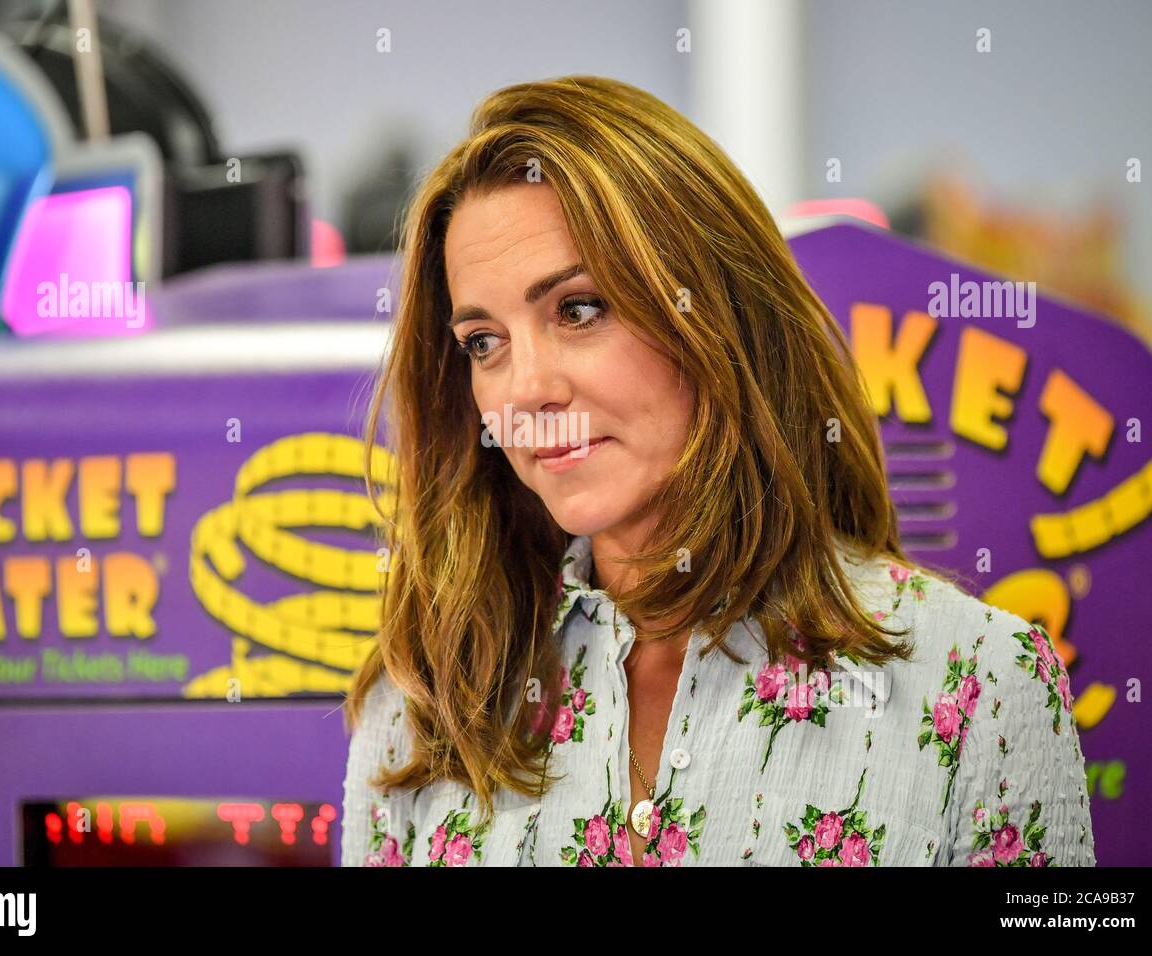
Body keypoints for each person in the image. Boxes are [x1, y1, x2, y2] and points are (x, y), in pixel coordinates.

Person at [340, 75, 1095, 867]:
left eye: (579, 309)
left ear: (720, 315)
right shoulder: (425, 709)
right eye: (483, 342)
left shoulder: (976, 683)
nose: (525, 389)